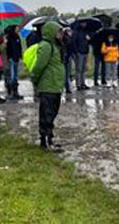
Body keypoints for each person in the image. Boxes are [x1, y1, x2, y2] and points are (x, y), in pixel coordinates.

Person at [31, 21, 66, 150]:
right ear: (51, 32)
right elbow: (39, 66)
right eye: (58, 31)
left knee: (52, 113)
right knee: (46, 114)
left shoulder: (56, 46)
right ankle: (44, 141)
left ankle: (50, 138)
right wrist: (35, 79)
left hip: (55, 85)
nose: (61, 34)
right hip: (48, 85)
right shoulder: (46, 46)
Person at [5, 25, 25, 100]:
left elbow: (19, 47)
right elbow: (8, 48)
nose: (18, 30)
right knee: (12, 76)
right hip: (11, 58)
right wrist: (9, 57)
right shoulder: (9, 37)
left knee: (15, 76)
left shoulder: (17, 37)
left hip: (16, 58)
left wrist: (20, 55)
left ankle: (16, 93)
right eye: (17, 28)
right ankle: (11, 93)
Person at [71, 22, 91, 90]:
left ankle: (83, 83)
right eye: (83, 23)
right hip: (79, 52)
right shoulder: (76, 32)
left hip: (85, 51)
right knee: (79, 69)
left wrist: (88, 39)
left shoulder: (86, 32)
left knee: (83, 69)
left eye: (85, 23)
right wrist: (76, 51)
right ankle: (78, 84)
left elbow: (88, 42)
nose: (85, 24)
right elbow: (73, 42)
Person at [61, 27, 75, 94]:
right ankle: (67, 88)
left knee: (67, 73)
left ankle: (67, 87)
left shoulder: (68, 38)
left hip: (68, 56)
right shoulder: (65, 39)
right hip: (65, 57)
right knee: (66, 74)